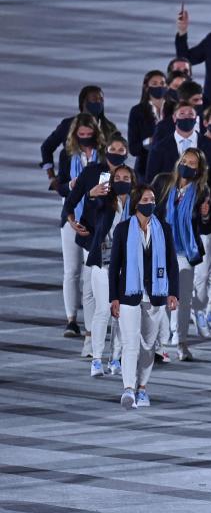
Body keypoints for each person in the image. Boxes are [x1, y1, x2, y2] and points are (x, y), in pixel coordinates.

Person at [62, 136, 131, 374]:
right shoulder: (103, 198)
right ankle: (96, 357)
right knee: (102, 308)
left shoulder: (136, 204)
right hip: (103, 259)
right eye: (118, 179)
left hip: (127, 265)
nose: (122, 181)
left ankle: (116, 358)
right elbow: (85, 207)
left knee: (122, 313)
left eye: (126, 179)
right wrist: (92, 196)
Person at [109, 184, 179, 409]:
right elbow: (115, 266)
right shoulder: (122, 230)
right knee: (130, 344)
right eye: (146, 200)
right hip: (129, 295)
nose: (150, 203)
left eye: (152, 200)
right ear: (136, 203)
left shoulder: (164, 229)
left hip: (155, 296)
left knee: (148, 346)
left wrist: (173, 293)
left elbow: (172, 264)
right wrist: (114, 297)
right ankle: (128, 388)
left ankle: (142, 388)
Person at [153, 148, 211, 361]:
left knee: (183, 299)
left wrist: (205, 216)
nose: (186, 165)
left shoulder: (201, 191)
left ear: (199, 169)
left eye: (192, 163)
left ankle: (182, 342)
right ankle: (161, 342)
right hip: (162, 250)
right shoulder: (162, 182)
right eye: (184, 160)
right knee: (161, 297)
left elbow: (205, 222)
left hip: (186, 252)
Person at [57, 113, 104, 350]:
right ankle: (71, 320)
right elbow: (60, 186)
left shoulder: (103, 156)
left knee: (90, 274)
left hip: (93, 219)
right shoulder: (66, 155)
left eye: (89, 135)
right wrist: (71, 186)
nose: (85, 139)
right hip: (72, 216)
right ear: (75, 135)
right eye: (81, 135)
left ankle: (93, 325)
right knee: (71, 270)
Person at [146, 101, 211, 184]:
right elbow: (151, 180)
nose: (186, 117)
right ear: (174, 118)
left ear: (196, 118)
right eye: (182, 114)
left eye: (190, 114)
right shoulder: (159, 148)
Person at [128, 71, 168, 181]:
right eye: (154, 84)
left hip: (171, 167)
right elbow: (133, 148)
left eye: (162, 83)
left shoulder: (174, 108)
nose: (159, 87)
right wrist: (148, 142)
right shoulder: (137, 111)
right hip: (145, 168)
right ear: (146, 87)